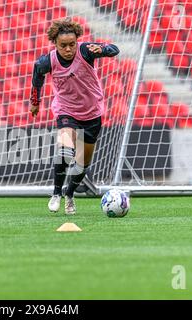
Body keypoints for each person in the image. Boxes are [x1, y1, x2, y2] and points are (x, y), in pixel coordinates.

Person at [30, 18, 119, 215]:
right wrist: (35, 102)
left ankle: (69, 194)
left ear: (77, 41)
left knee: (82, 162)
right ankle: (56, 194)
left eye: (72, 44)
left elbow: (114, 49)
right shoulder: (49, 61)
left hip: (92, 112)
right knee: (65, 149)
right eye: (63, 45)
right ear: (55, 43)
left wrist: (104, 50)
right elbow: (37, 75)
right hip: (65, 110)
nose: (68, 49)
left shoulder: (86, 50)